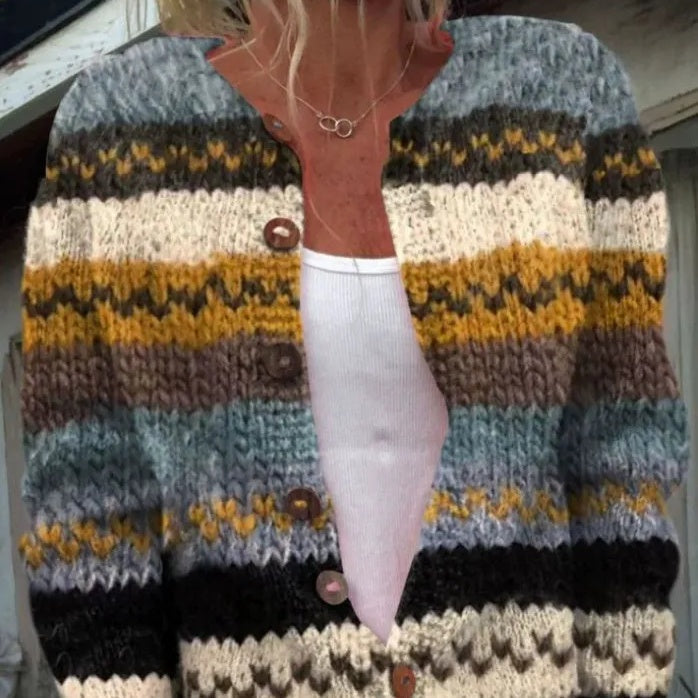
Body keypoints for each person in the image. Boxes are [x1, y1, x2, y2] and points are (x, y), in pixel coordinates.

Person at [18, 0, 689, 696]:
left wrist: (626, 678)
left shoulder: (557, 88)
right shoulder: (123, 120)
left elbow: (617, 442)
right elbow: (89, 494)